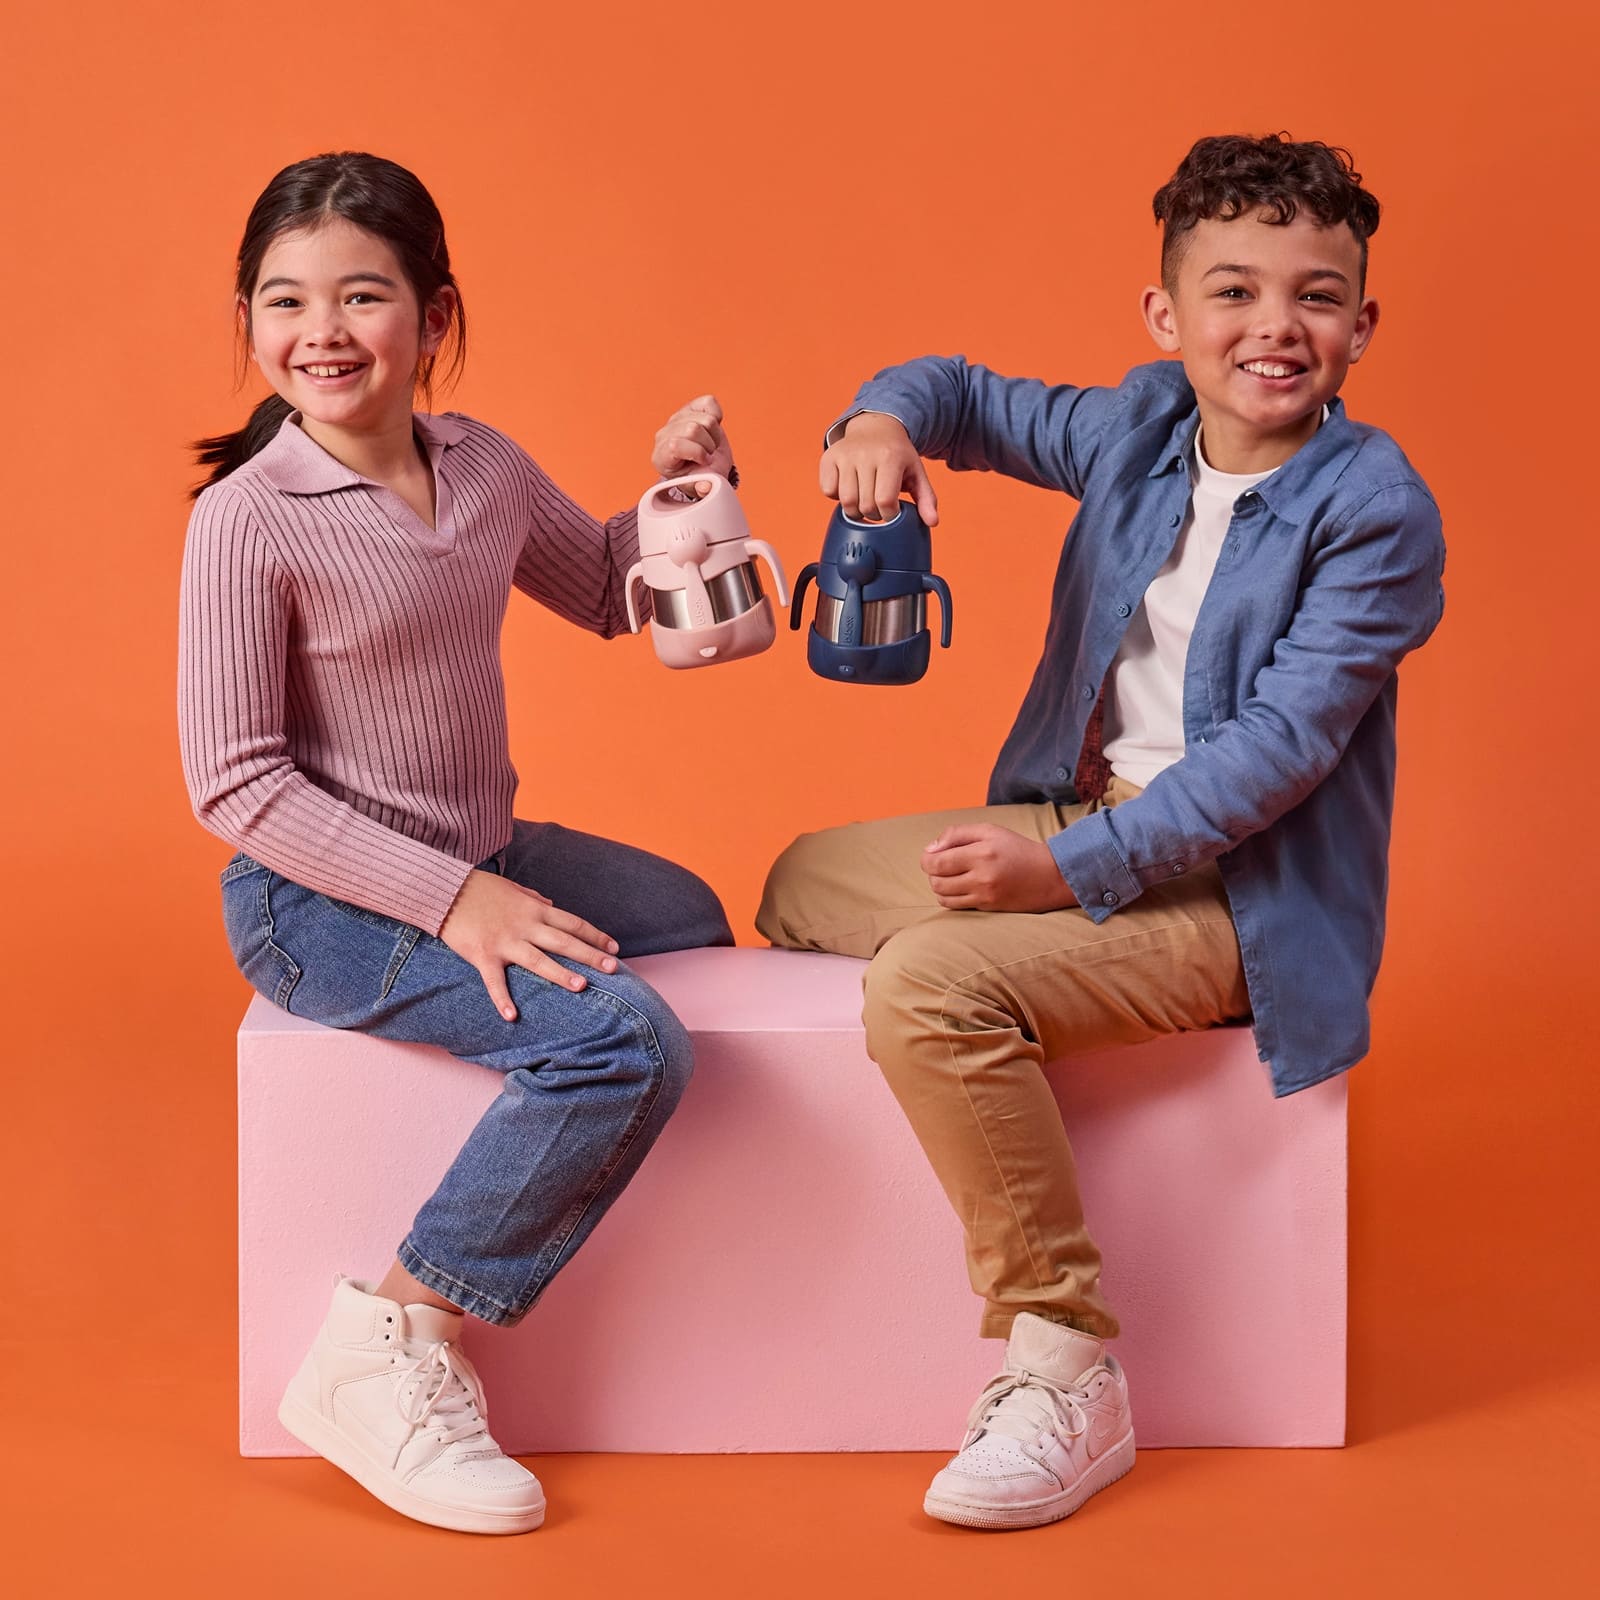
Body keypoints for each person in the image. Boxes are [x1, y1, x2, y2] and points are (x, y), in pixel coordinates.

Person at [757, 132, 1445, 1531]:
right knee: (800, 880)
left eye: (1316, 297)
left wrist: (1057, 873)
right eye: (1233, 291)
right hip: (1077, 819)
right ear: (1166, 318)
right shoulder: (1138, 428)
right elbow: (958, 393)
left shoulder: (1375, 512)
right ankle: (1014, 997)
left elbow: (1278, 752)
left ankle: (1064, 1362)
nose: (1275, 326)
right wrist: (877, 420)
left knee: (927, 985)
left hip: (1238, 898)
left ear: (1362, 326)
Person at [179, 151, 737, 1536]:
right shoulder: (247, 520)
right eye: (285, 300)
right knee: (627, 1041)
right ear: (247, 320)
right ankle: (391, 1340)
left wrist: (682, 497)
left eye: (361, 296)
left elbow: (605, 588)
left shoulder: (479, 464)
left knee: (690, 914)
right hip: (314, 902)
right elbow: (236, 786)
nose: (322, 331)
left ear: (435, 316)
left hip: (479, 851)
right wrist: (452, 904)